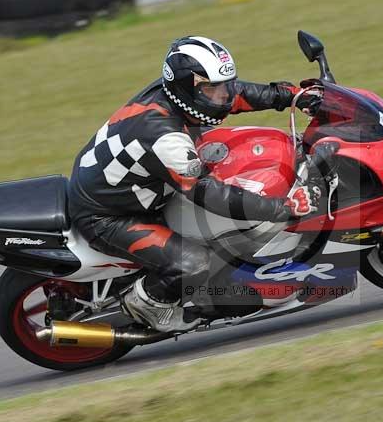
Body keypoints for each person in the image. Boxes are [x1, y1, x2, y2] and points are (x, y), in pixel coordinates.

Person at [67, 36, 322, 333]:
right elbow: (209, 194)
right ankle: (149, 303)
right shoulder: (165, 136)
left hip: (131, 188)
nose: (224, 96)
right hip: (109, 216)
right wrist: (283, 207)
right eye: (213, 89)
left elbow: (238, 95)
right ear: (188, 89)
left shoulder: (176, 94)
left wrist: (290, 95)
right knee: (194, 263)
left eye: (223, 85)